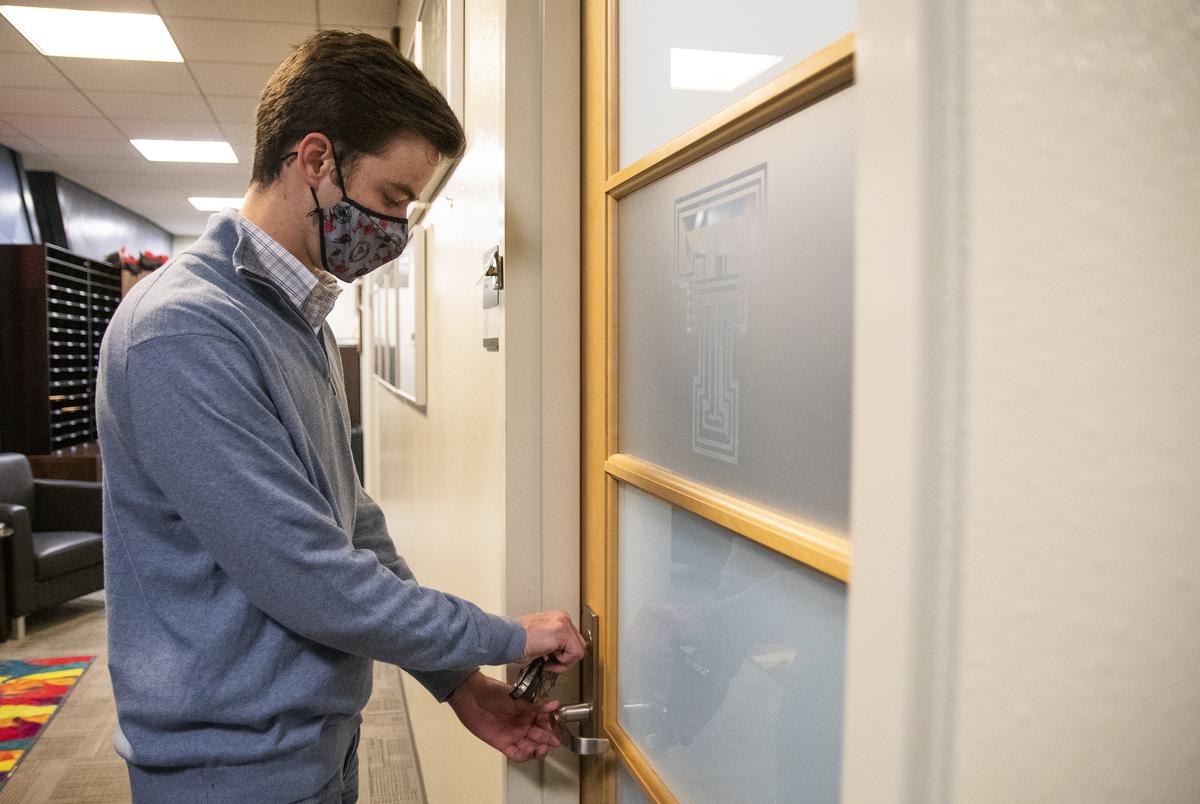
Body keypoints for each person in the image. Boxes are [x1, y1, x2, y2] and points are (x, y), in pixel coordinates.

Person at [96, 30, 586, 804]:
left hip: (312, 741)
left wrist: (458, 680)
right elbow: (307, 577)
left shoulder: (298, 317)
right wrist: (507, 635)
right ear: (316, 160)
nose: (395, 232)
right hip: (230, 769)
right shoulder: (184, 330)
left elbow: (350, 526)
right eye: (392, 198)